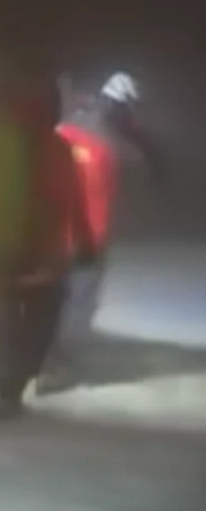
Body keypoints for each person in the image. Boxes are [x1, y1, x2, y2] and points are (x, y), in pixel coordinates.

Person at [0, 72, 95, 419]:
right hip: (40, 244)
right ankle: (12, 386)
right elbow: (72, 199)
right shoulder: (56, 147)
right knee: (42, 314)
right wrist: (85, 241)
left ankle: (1, 387)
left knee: (5, 311)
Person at [39, 72, 163, 390]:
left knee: (49, 296)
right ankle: (56, 365)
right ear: (122, 107)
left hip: (50, 234)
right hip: (87, 238)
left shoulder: (64, 129)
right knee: (79, 301)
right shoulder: (111, 143)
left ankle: (38, 356)